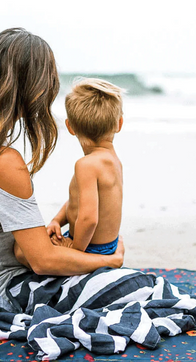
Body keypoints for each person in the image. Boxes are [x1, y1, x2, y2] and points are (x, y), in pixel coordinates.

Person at [0, 28, 124, 306]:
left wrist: (44, 236)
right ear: (34, 85)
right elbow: (42, 261)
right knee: (134, 287)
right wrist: (109, 260)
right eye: (50, 78)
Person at [47, 78, 124, 255]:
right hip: (104, 244)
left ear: (70, 127)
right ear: (119, 124)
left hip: (88, 247)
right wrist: (57, 221)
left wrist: (74, 251)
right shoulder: (113, 160)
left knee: (23, 251)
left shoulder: (86, 165)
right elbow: (79, 200)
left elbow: (89, 219)